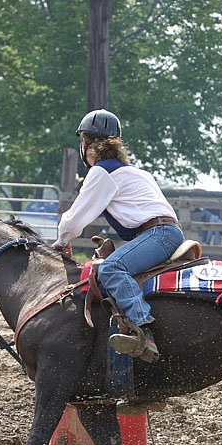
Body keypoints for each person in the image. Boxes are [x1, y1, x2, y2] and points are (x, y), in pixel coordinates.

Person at [53, 109, 184, 363]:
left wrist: (62, 240)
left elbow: (76, 217)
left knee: (111, 269)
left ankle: (142, 330)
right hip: (164, 232)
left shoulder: (102, 172)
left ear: (86, 143)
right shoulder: (133, 171)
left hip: (157, 233)